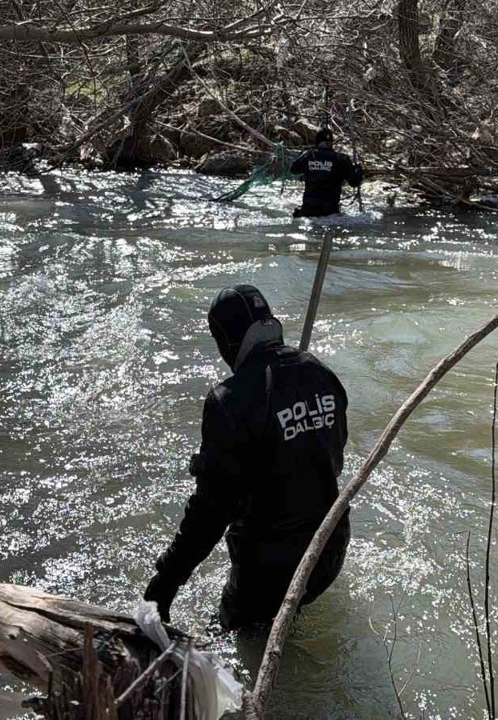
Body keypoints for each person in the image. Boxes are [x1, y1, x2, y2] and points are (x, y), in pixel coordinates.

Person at [143, 285, 351, 629]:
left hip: (268, 576)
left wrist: (165, 581)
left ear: (227, 340)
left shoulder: (229, 400)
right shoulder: (320, 373)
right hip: (329, 550)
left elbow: (211, 511)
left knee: (228, 650)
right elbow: (333, 457)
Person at [289, 128, 364, 218]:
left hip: (308, 211)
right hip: (330, 212)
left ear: (317, 142)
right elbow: (354, 182)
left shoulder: (308, 156)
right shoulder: (341, 159)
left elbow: (293, 169)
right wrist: (358, 169)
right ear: (332, 143)